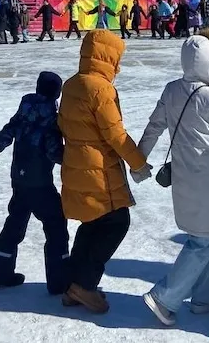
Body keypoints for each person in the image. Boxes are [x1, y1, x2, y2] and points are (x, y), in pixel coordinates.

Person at [137, 30, 209, 327]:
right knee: (203, 241)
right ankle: (165, 298)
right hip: (208, 181)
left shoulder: (171, 89)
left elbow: (153, 128)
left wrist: (139, 161)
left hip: (185, 179)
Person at [58, 30, 149, 313]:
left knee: (92, 224)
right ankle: (85, 286)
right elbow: (115, 134)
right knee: (116, 222)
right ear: (109, 58)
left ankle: (74, 285)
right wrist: (139, 163)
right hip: (98, 170)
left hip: (76, 165)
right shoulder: (101, 89)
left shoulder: (71, 84)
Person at [0, 71, 69, 294]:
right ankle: (59, 281)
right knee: (56, 226)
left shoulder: (24, 111)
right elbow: (53, 152)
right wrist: (75, 160)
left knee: (15, 224)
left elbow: (6, 133)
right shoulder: (51, 117)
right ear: (56, 93)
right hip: (40, 182)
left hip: (19, 180)